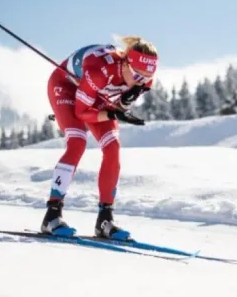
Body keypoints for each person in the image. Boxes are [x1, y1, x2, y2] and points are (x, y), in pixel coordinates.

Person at [41, 35, 158, 240]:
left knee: (112, 148)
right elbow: (81, 113)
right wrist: (114, 112)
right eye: (138, 76)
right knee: (77, 142)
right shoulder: (100, 71)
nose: (142, 81)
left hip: (96, 94)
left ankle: (105, 219)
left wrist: (122, 104)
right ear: (125, 63)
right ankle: (52, 215)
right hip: (66, 86)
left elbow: (120, 100)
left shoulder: (143, 78)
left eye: (147, 77)